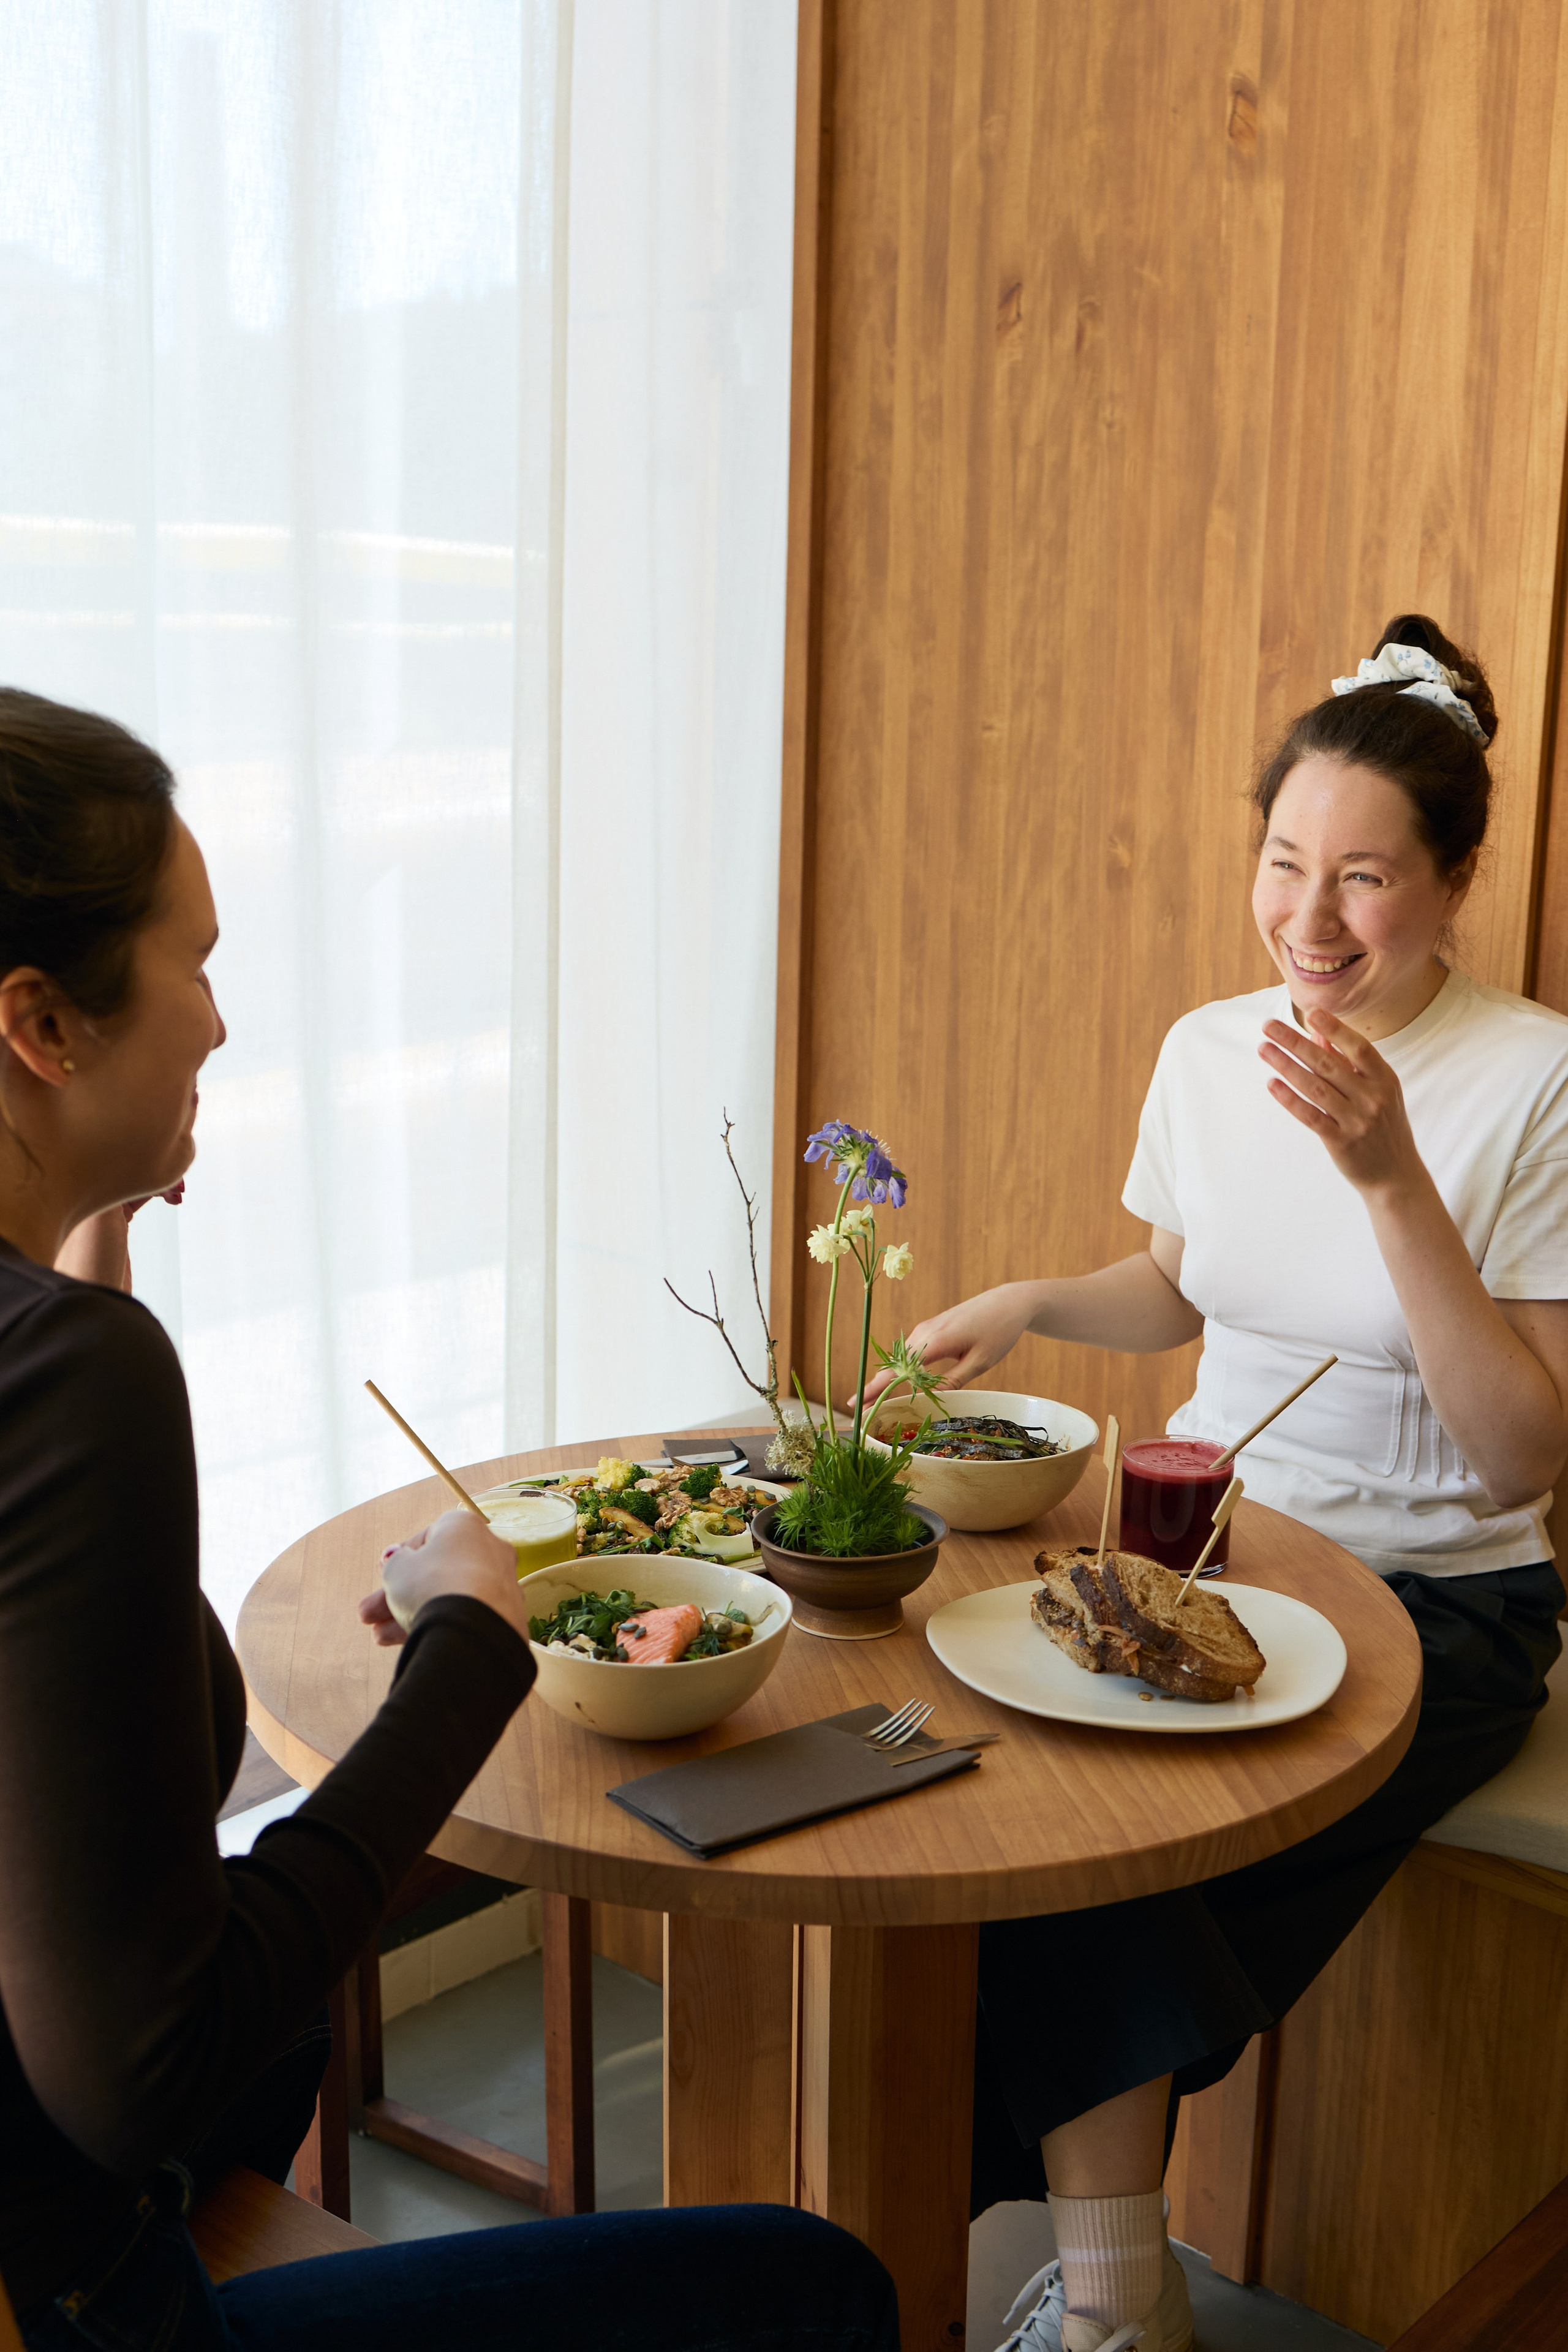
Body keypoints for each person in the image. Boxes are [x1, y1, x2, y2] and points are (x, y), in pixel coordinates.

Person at [0, 687, 900, 2352]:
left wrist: (82, 1239)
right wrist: (473, 1645)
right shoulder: (70, 1382)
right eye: (194, 965)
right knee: (818, 2287)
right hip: (54, 2290)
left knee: (289, 2016)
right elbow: (141, 2074)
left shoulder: (56, 1349)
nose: (217, 1024)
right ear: (43, 1025)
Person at [872, 617, 1568, 2352]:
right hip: (1204, 1560)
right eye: (1283, 864)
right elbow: (1185, 1289)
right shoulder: (1207, 1047)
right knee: (1002, 1814)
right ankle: (1099, 2294)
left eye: (1367, 880)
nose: (1311, 923)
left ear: (1456, 878)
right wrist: (1037, 1302)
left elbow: (1524, 1451)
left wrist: (1392, 1176)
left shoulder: (1536, 1078)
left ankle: (1080, 2301)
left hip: (1437, 1604)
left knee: (1120, 1872)